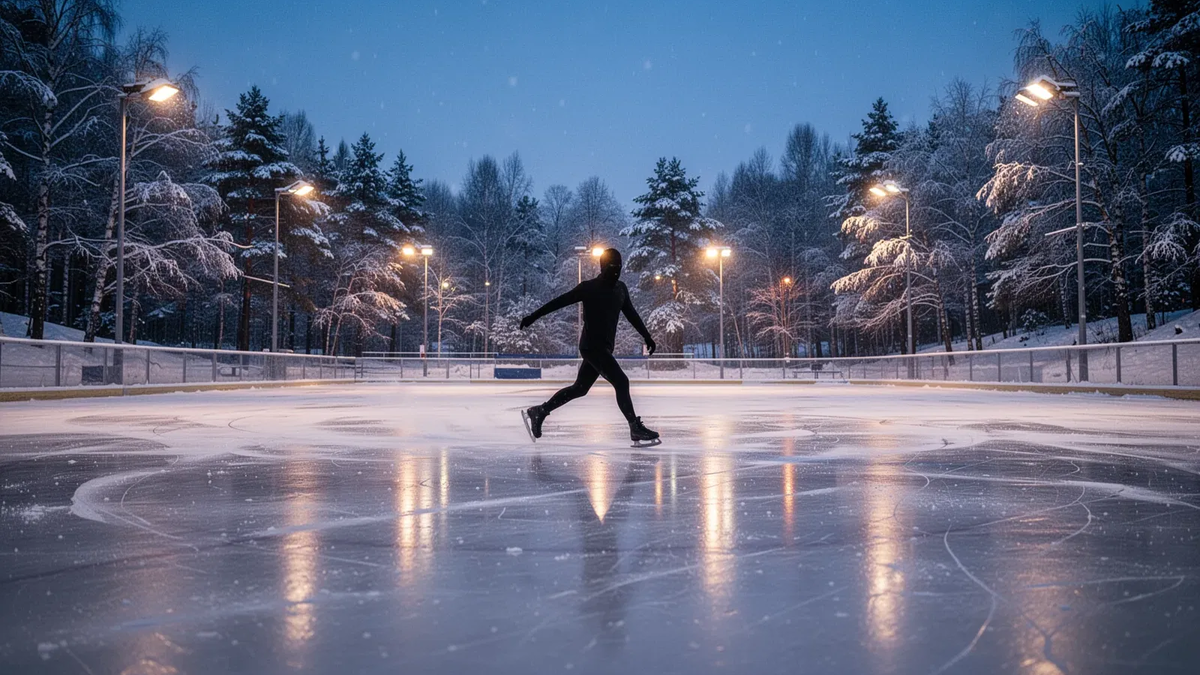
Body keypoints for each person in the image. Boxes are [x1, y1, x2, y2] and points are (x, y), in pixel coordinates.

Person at [519, 248, 660, 444]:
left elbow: (632, 314)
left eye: (619, 266)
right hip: (592, 347)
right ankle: (634, 427)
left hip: (604, 348)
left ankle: (539, 411)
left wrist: (647, 336)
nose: (616, 270)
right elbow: (559, 302)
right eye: (613, 266)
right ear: (603, 266)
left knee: (580, 388)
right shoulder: (589, 288)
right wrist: (533, 317)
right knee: (621, 381)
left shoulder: (621, 289)